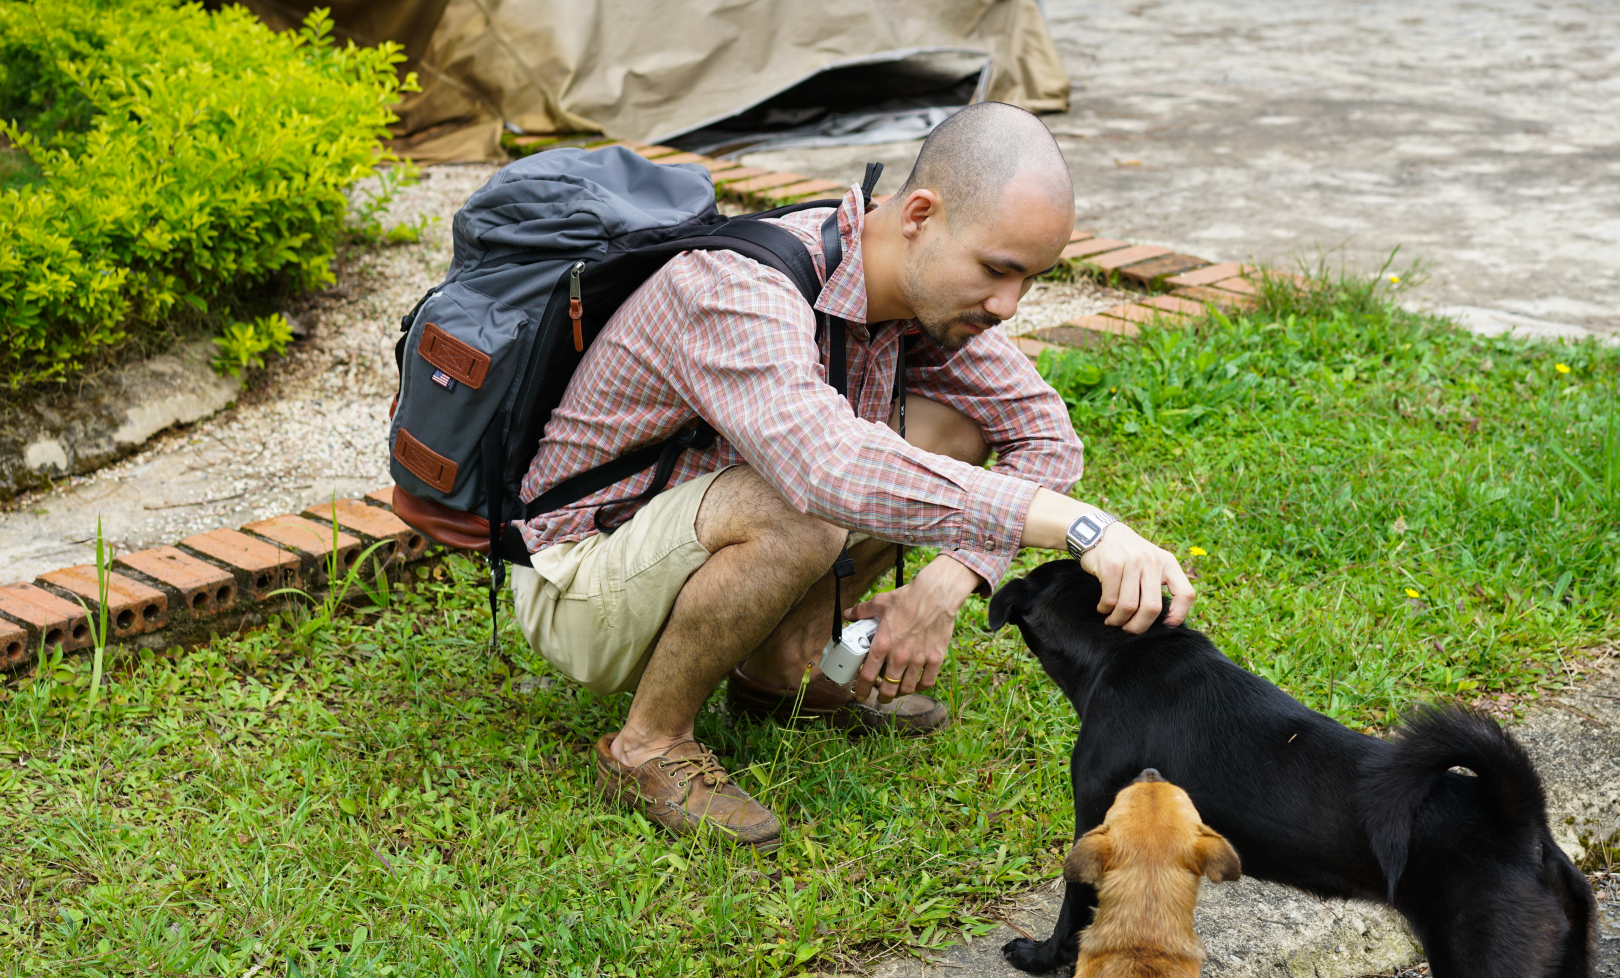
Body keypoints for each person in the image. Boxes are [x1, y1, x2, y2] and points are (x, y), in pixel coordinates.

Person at [510, 102, 1194, 850]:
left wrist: (953, 577)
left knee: (952, 432)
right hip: (576, 580)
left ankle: (776, 668)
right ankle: (647, 743)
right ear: (921, 216)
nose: (1007, 305)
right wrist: (1080, 527)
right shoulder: (739, 286)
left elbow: (1044, 436)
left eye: (1029, 280)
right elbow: (824, 466)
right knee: (805, 504)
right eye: (998, 270)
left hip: (690, 535)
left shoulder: (920, 300)